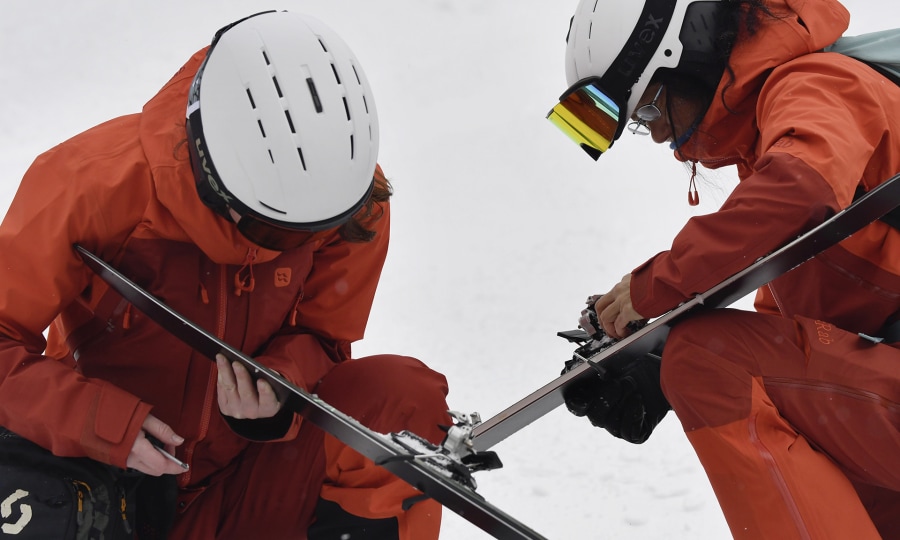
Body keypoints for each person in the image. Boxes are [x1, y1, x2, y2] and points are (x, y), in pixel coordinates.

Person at [0, 10, 451, 540]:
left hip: (237, 483)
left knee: (397, 397)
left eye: (317, 231)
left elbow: (325, 341)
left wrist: (281, 387)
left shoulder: (355, 203)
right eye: (280, 234)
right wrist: (100, 422)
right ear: (213, 174)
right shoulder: (89, 183)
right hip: (94, 486)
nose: (303, 245)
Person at [548, 0, 900, 538]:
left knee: (710, 362)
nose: (661, 138)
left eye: (647, 111)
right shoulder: (777, 132)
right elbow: (798, 319)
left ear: (685, 58)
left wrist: (661, 289)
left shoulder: (818, 84)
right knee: (833, 474)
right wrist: (658, 361)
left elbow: (797, 191)